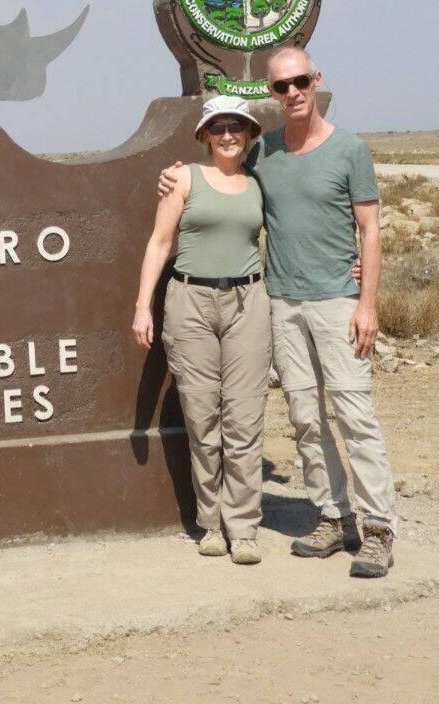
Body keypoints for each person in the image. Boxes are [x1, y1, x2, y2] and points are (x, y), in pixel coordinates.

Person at [158, 47, 396, 578]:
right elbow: (218, 176)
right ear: (271, 92)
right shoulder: (263, 151)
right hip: (282, 303)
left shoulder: (350, 151)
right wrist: (173, 175)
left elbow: (371, 229)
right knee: (306, 420)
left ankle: (379, 529)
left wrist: (368, 303)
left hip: (338, 303)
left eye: (300, 82)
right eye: (282, 86)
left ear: (317, 80)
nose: (292, 92)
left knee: (354, 416)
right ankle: (333, 517)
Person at [134, 95, 270, 566]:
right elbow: (159, 242)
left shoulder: (259, 183)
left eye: (237, 126)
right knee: (201, 414)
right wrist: (142, 307)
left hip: (248, 301)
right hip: (190, 301)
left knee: (245, 416)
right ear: (205, 135)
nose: (229, 135)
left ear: (250, 134)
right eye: (219, 127)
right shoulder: (183, 179)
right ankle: (211, 524)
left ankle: (245, 527)